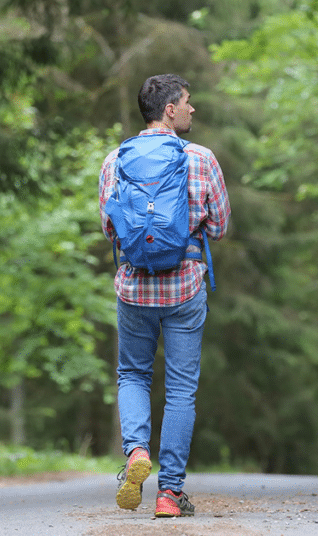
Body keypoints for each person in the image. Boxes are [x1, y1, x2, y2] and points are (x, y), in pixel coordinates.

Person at [98, 74, 231, 518]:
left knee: (133, 374)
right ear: (169, 110)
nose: (193, 109)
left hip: (134, 287)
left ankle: (136, 451)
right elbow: (220, 226)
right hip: (185, 287)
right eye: (187, 103)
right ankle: (170, 494)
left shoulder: (115, 160)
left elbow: (109, 228)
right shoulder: (201, 158)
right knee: (180, 389)